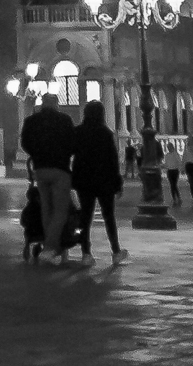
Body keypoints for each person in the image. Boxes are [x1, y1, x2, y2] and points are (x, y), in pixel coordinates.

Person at [20, 96, 80, 263]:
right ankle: (50, 248)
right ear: (56, 104)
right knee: (60, 211)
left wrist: (37, 154)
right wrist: (64, 154)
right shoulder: (64, 120)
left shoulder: (31, 121)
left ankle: (51, 246)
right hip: (60, 169)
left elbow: (25, 143)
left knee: (46, 209)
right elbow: (73, 143)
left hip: (40, 169)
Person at [71, 100, 128, 263]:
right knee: (109, 217)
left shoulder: (78, 132)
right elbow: (113, 161)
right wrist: (118, 183)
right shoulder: (106, 133)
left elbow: (72, 152)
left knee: (85, 217)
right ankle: (116, 251)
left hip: (84, 180)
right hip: (104, 181)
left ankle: (86, 253)